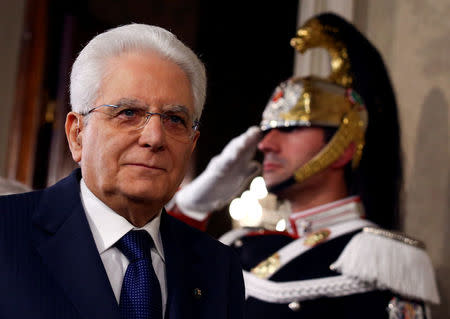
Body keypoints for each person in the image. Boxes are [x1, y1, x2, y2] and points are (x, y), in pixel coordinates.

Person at [171, 13, 439, 318]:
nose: (266, 144)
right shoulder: (240, 245)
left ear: (342, 148)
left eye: (290, 128)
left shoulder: (381, 262)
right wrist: (193, 208)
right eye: (269, 129)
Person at [0, 24, 244, 319]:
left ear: (192, 145)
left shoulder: (218, 266)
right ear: (77, 134)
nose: (154, 138)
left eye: (174, 119)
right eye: (128, 113)